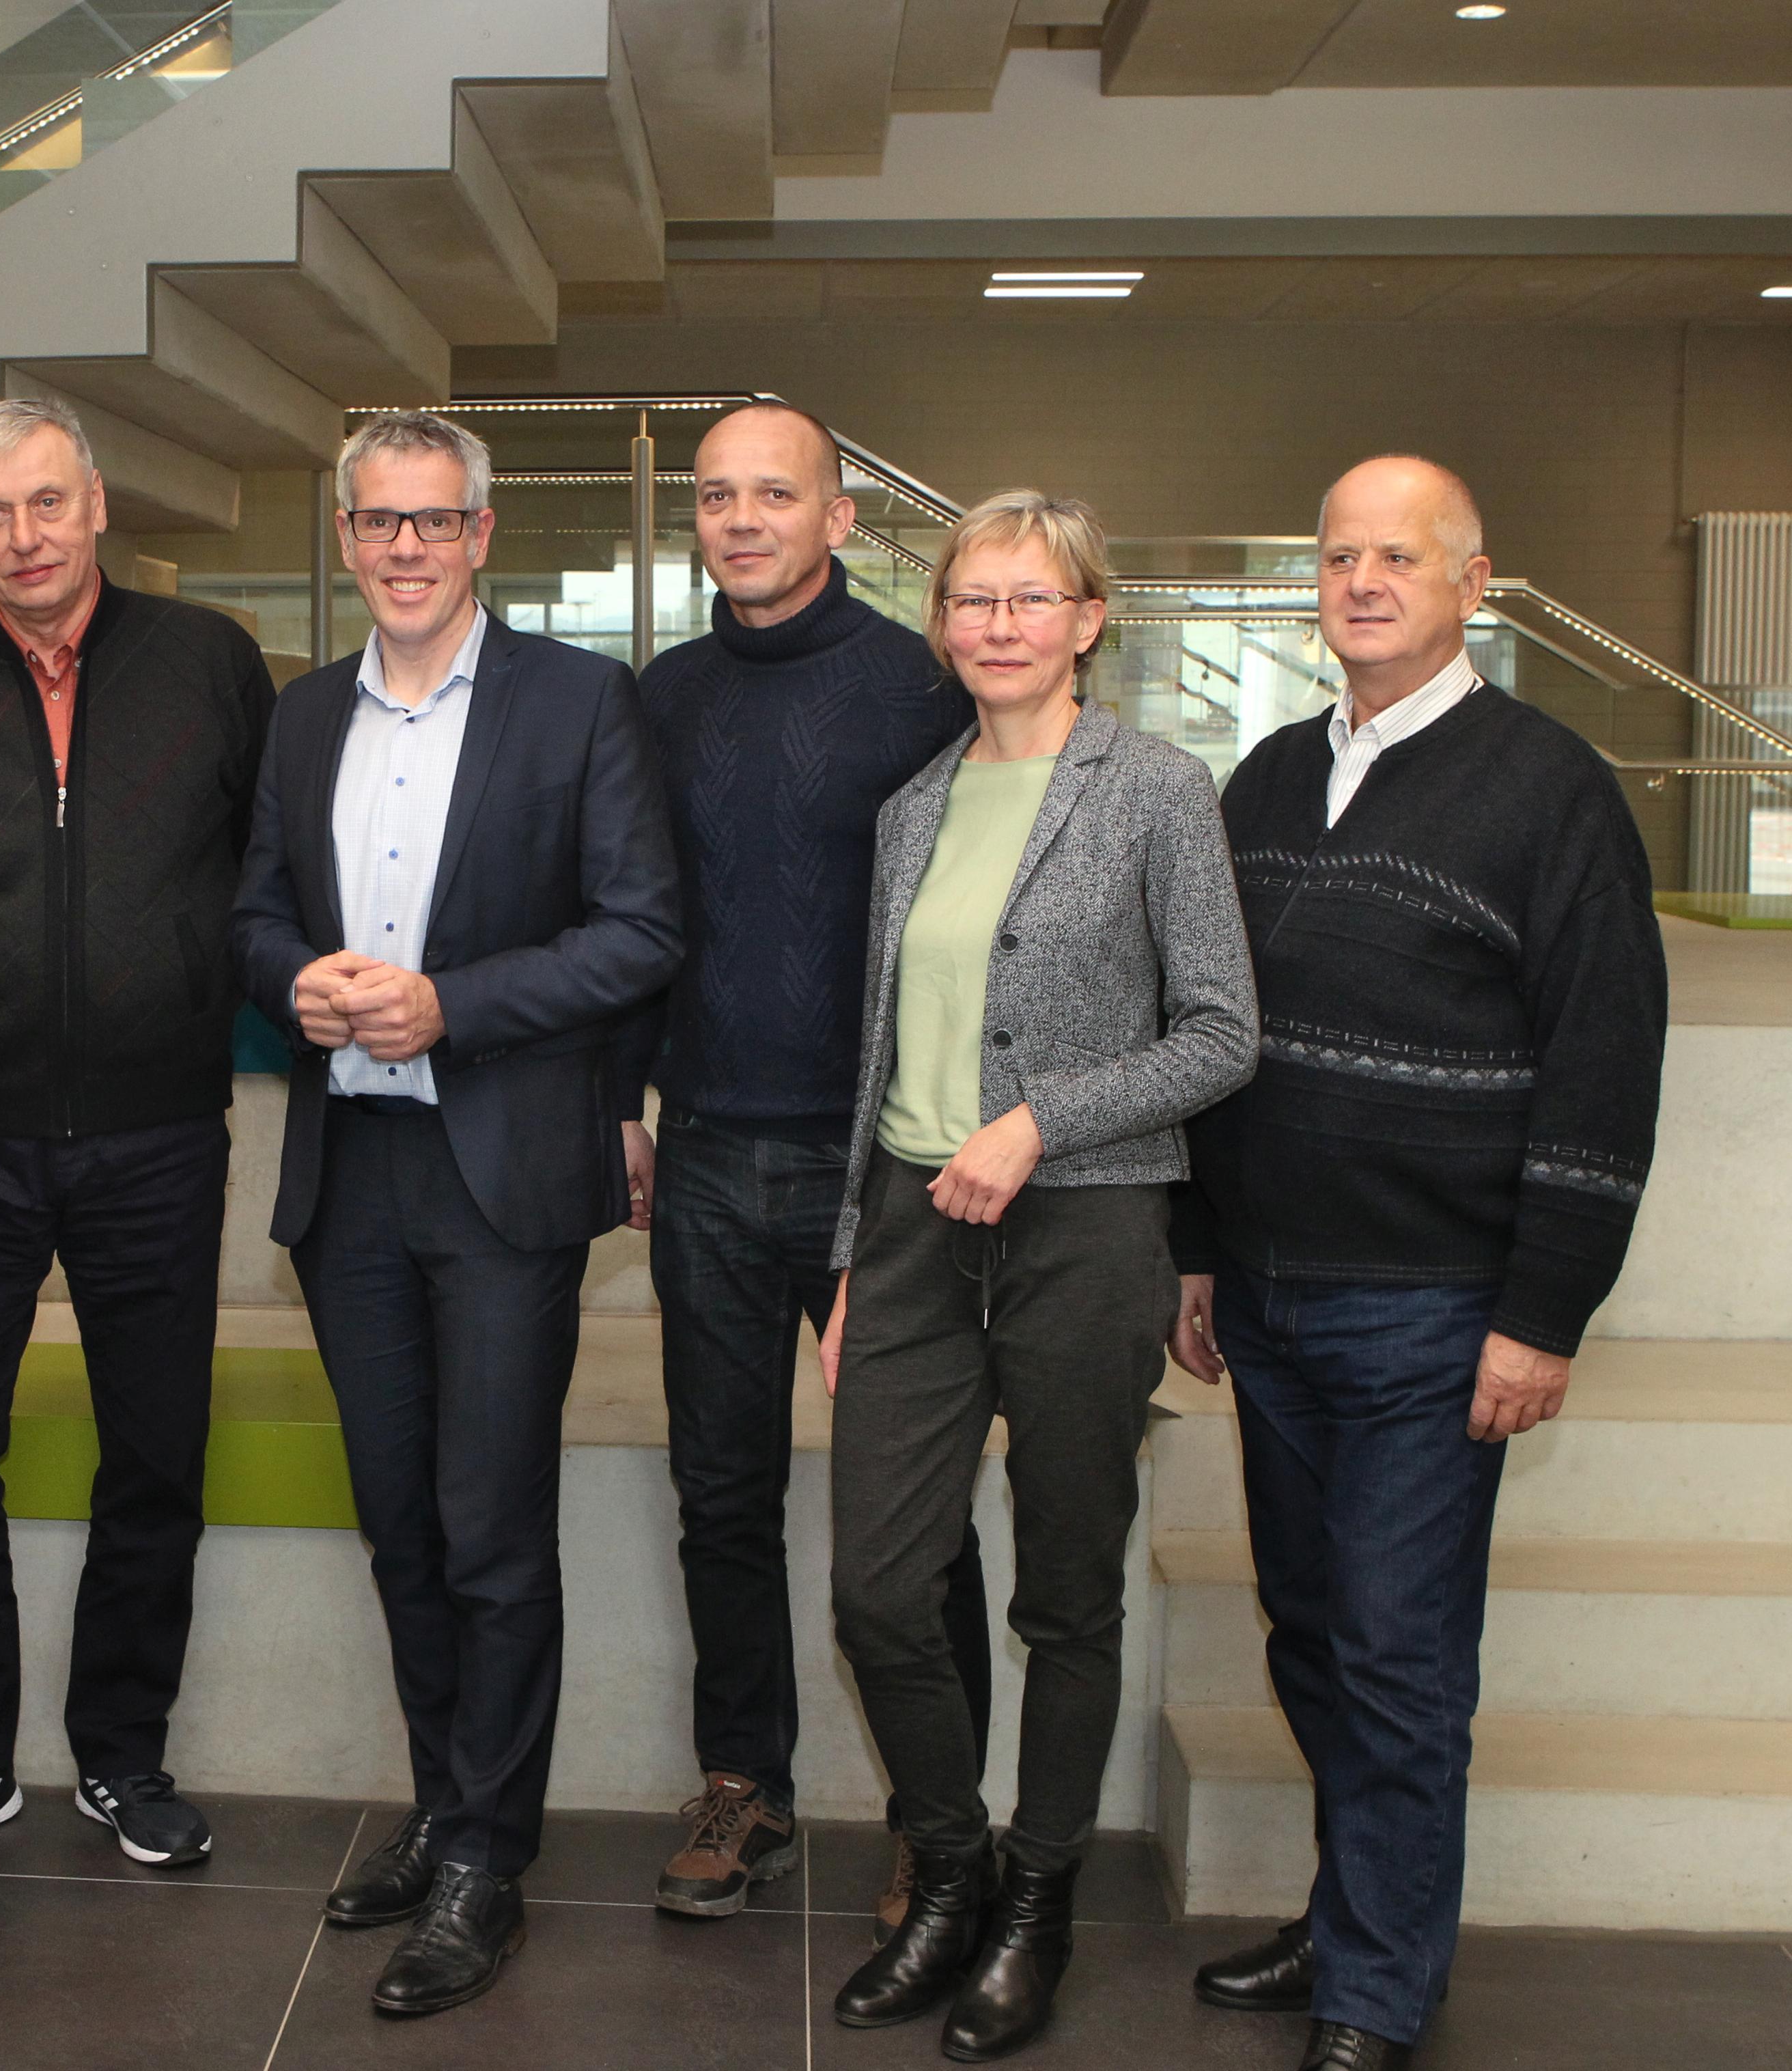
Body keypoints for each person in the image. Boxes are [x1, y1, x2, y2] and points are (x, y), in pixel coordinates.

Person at [1170, 456, 1667, 2071]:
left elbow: (1602, 1061)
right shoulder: (1255, 780)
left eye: (1399, 555)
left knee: (1394, 1652)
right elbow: (1207, 1037)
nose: (1362, 581)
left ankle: (1375, 1989)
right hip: (1268, 1289)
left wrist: (1540, 1312)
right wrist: (1192, 1252)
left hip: (1433, 1308)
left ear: (1473, 584)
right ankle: (1347, 1916)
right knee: (1308, 1627)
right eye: (1336, 556)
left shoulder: (1548, 787)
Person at [233, 410, 684, 2017]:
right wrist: (297, 976)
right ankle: (441, 1804)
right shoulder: (299, 719)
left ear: (482, 535)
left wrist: (450, 1005)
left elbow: (640, 931)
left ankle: (492, 1855)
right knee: (402, 1523)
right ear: (346, 537)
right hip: (347, 1177)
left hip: (499, 1174)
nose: (405, 548)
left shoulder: (580, 702)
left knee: (491, 1529)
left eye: (433, 521)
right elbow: (251, 910)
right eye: (376, 522)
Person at [820, 492, 1257, 2059]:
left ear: (1088, 620)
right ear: (939, 625)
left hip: (1086, 1226)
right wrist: (853, 1257)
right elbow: (878, 1051)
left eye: (1030, 598)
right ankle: (948, 1866)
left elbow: (1221, 1031)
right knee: (875, 1583)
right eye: (968, 599)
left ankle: (1036, 1899)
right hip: (909, 1221)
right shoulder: (910, 805)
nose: (994, 623)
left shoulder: (1153, 790)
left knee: (1063, 1590)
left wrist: (1038, 1123)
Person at [0, 396, 275, 1876]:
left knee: (153, 1454)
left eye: (45, 504)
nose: (22, 537)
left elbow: (265, 872)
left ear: (96, 504)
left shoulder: (212, 664)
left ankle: (123, 1753)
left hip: (157, 1133)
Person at [615, 400, 990, 1923]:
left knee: (910, 1515)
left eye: (776, 493)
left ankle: (935, 1813)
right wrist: (617, 1098)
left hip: (873, 1175)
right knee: (720, 1490)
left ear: (839, 519)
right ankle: (741, 1785)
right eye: (716, 495)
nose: (742, 518)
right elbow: (628, 909)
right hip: (701, 1151)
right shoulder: (660, 697)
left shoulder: (920, 686)